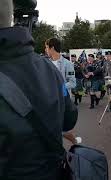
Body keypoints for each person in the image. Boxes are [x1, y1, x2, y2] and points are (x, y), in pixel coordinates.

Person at [0, 0, 78, 179]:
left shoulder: (64, 64)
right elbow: (69, 118)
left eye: (46, 46)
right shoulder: (49, 67)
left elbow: (72, 82)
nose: (45, 49)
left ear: (51, 48)